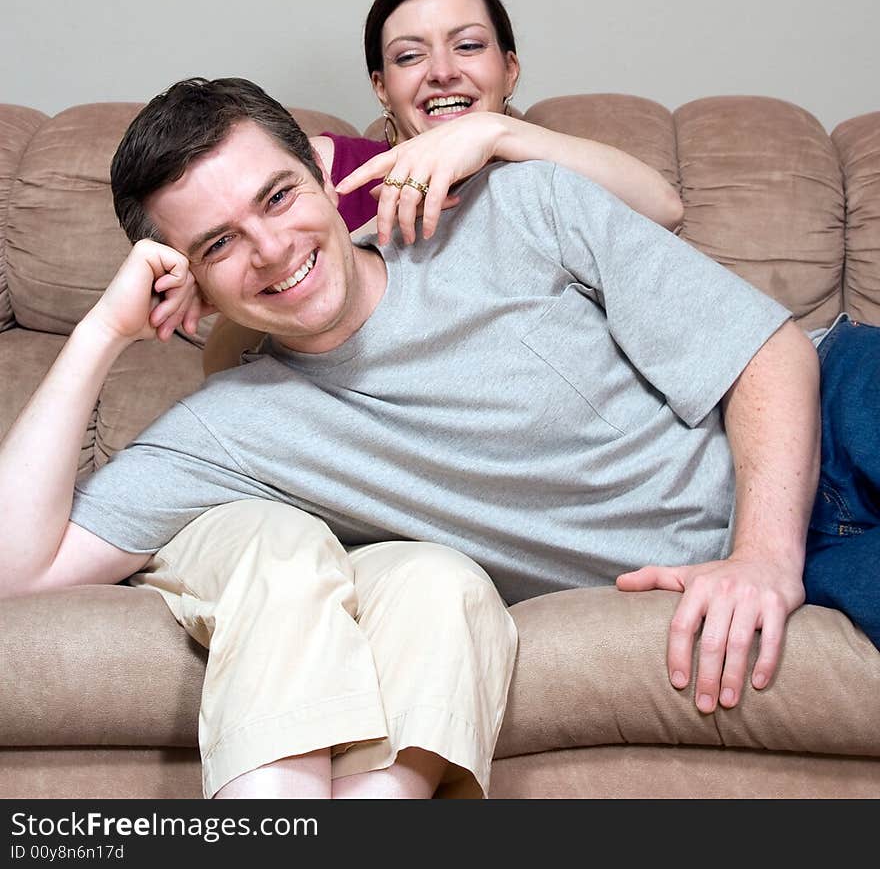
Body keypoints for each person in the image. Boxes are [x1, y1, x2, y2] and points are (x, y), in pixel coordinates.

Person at [2, 79, 875, 801]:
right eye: (219, 243)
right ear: (182, 277)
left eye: (278, 196)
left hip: (834, 416)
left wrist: (761, 558)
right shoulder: (227, 429)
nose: (272, 250)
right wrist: (100, 333)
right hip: (826, 556)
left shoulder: (519, 209)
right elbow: (19, 571)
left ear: (321, 171)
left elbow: (769, 351)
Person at [203, 0, 682, 373]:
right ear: (381, 87)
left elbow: (663, 208)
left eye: (469, 46)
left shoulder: (541, 173)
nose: (442, 71)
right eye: (410, 56)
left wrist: (498, 131)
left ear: (509, 69)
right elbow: (224, 362)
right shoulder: (331, 177)